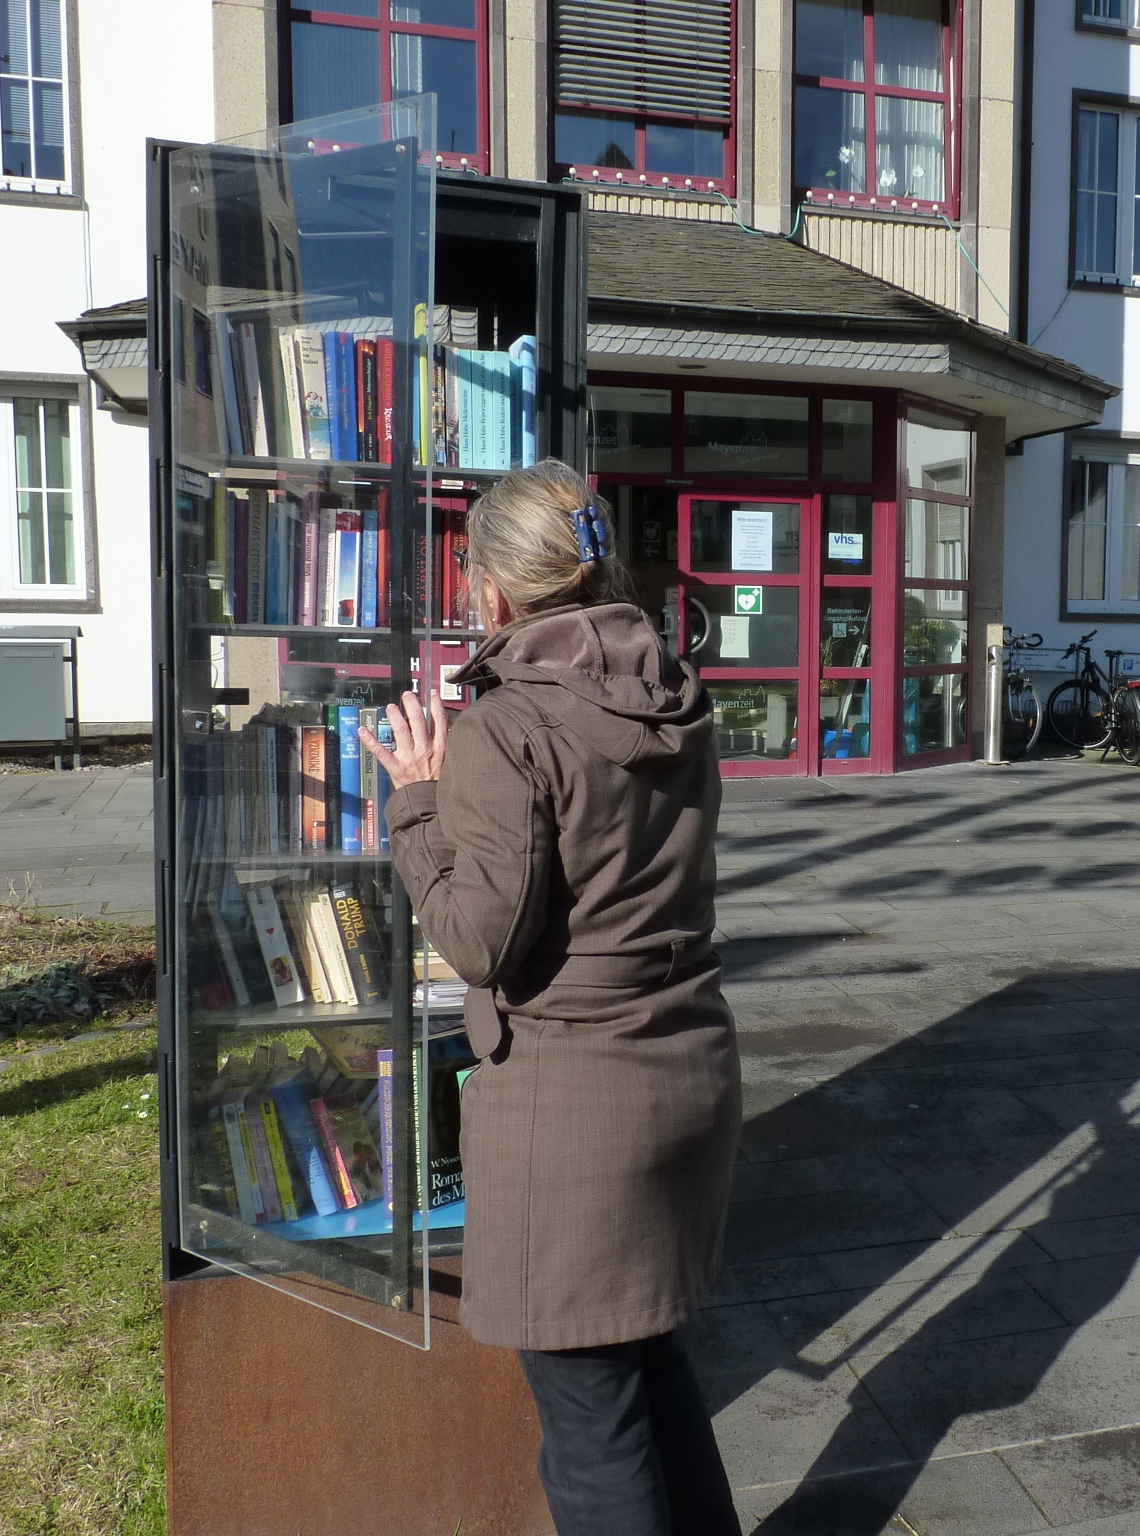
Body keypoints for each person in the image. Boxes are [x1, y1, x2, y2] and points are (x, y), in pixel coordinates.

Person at [361, 459, 742, 1536]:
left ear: (488, 592)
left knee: (591, 1429)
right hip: (690, 1067)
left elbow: (480, 940)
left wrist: (417, 806)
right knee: (652, 1377)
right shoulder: (674, 688)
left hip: (575, 1109)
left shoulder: (506, 725)